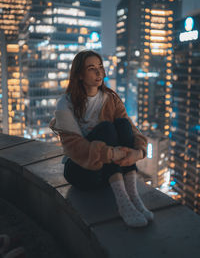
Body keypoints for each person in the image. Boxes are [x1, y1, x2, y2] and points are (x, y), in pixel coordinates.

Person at [49, 50, 154, 227]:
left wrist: (139, 152)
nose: (99, 73)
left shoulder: (110, 98)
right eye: (92, 68)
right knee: (106, 128)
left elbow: (131, 129)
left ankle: (133, 197)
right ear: (80, 75)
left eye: (100, 67)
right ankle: (123, 204)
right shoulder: (65, 103)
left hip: (108, 173)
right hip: (80, 170)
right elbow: (74, 146)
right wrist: (110, 153)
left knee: (122, 124)